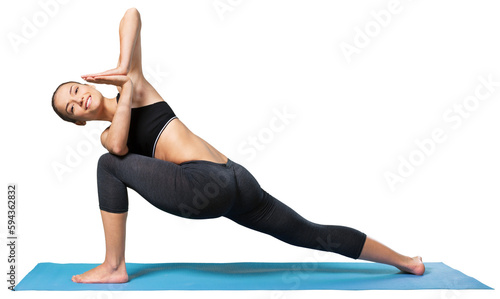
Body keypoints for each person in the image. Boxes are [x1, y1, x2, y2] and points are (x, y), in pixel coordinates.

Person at [51, 8, 425, 284]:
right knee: (108, 161)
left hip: (225, 180)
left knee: (309, 232)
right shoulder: (119, 111)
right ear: (79, 120)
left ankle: (405, 261)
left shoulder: (135, 84)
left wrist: (123, 66)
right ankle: (114, 264)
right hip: (219, 182)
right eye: (71, 108)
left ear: (86, 83)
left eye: (74, 90)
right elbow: (117, 145)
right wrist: (127, 84)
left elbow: (131, 14)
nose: (77, 99)